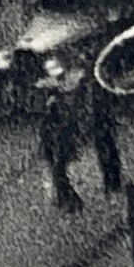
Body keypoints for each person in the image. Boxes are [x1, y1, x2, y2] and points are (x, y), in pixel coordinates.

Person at [38, 66, 86, 212]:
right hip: (58, 146)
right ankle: (69, 202)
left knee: (59, 175)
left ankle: (68, 202)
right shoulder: (61, 108)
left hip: (56, 147)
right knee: (60, 175)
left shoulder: (54, 109)